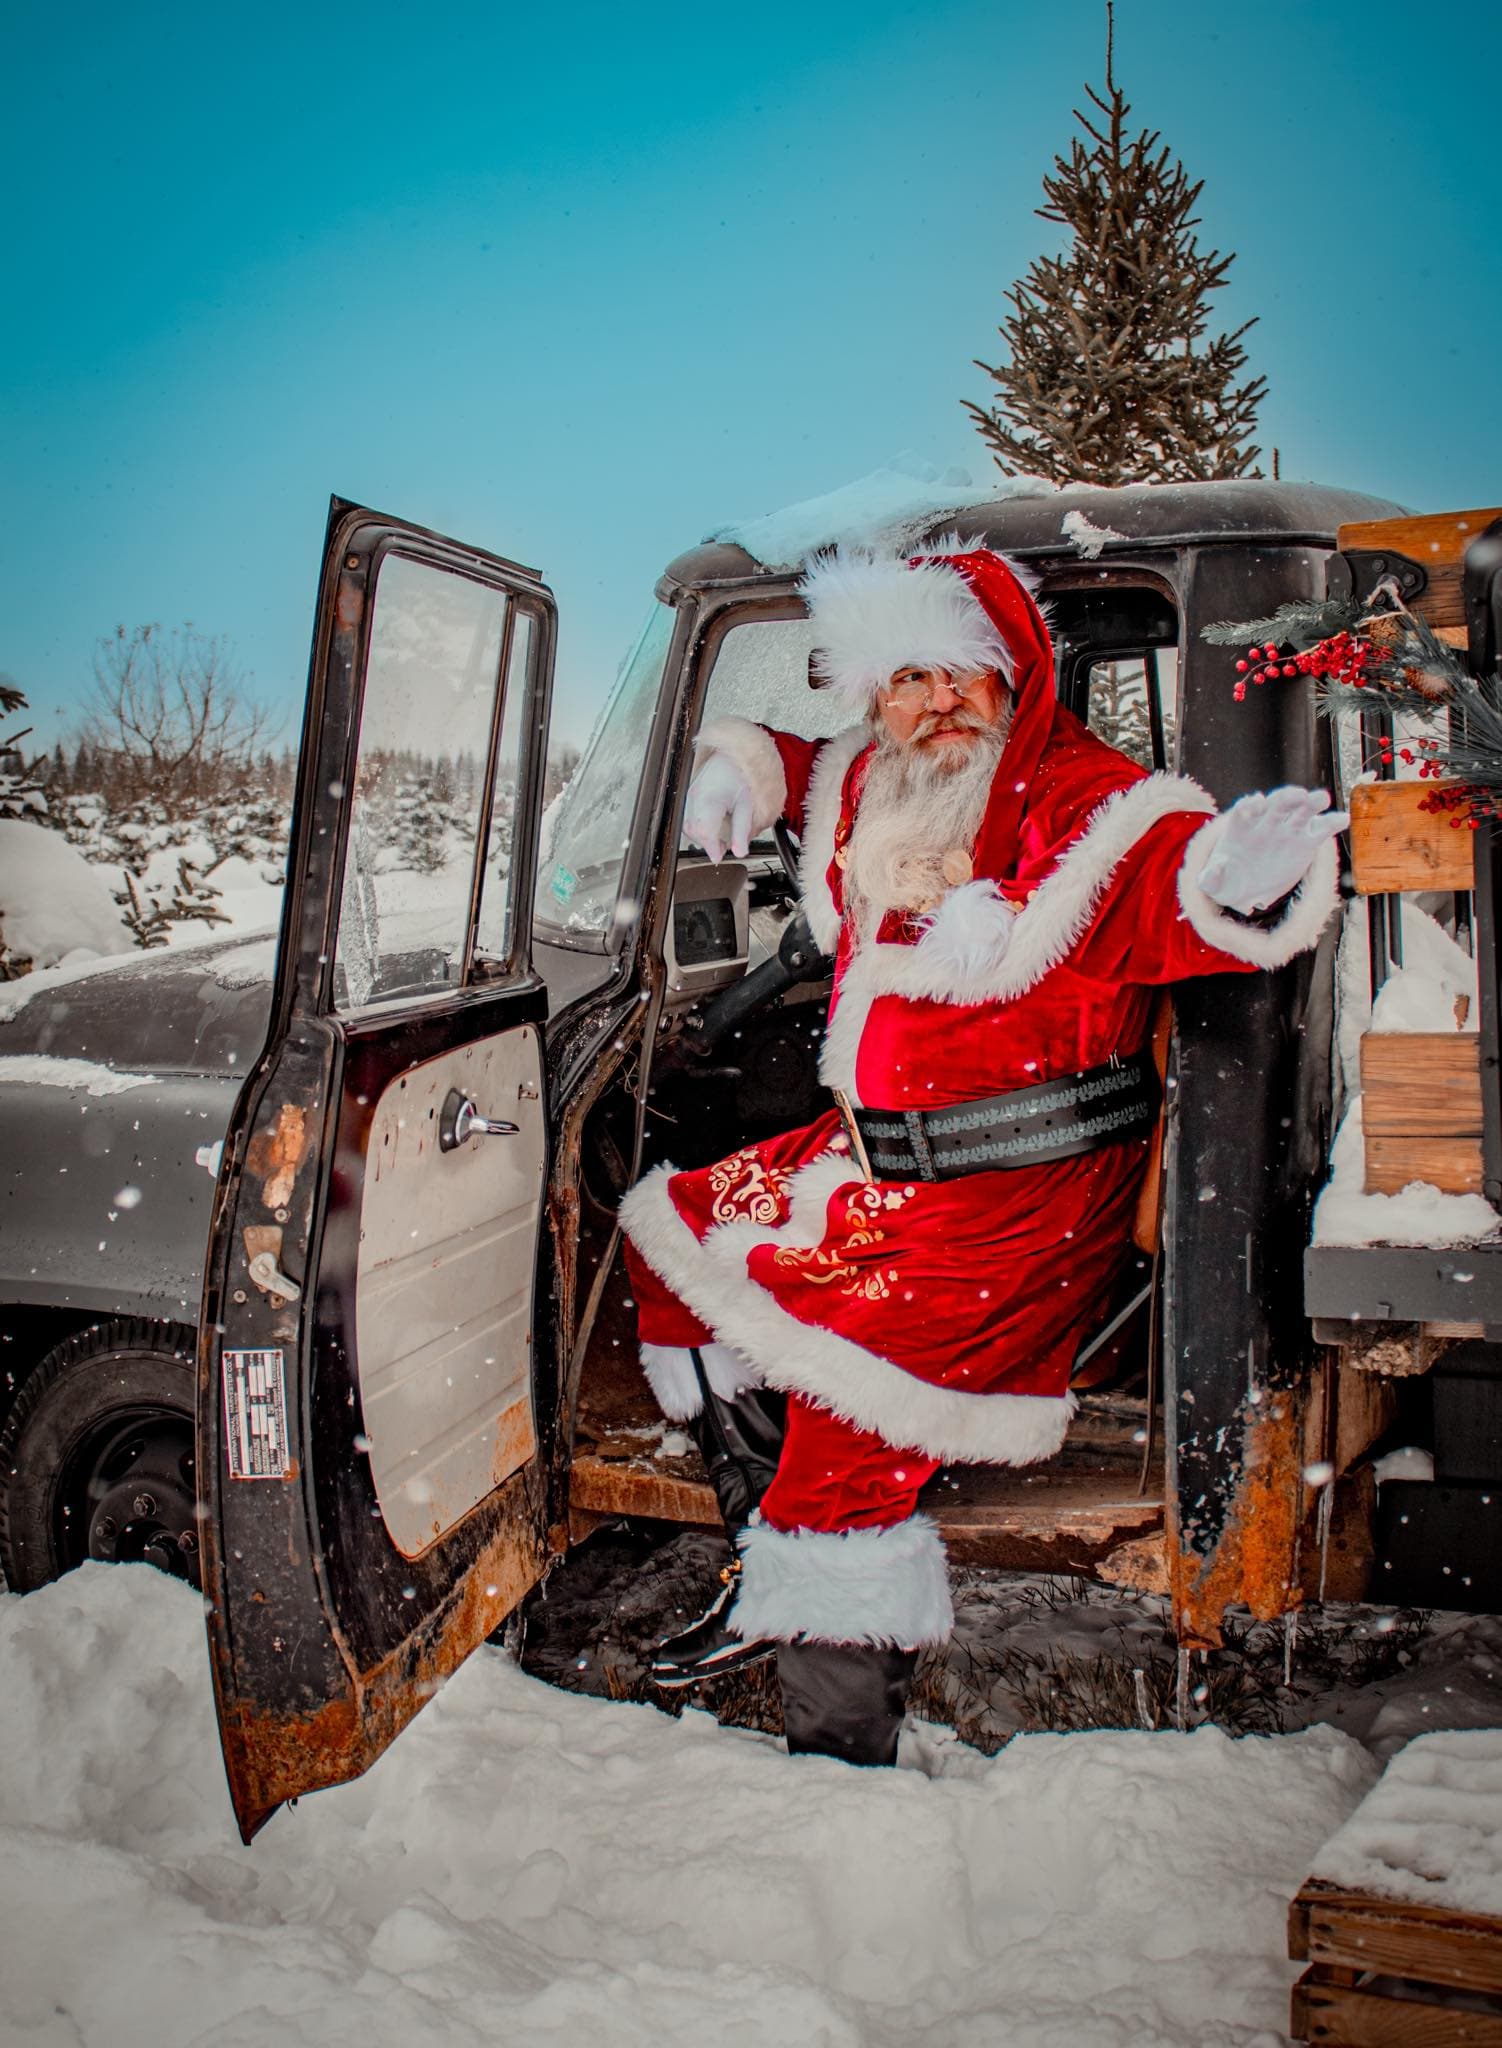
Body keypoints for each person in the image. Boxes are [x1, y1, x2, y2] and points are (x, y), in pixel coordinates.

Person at [619, 539, 1344, 1766]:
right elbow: (810, 764)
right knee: (672, 1226)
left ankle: (834, 1748)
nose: (933, 701)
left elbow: (1165, 887)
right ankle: (762, 1569)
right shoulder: (879, 776)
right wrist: (737, 764)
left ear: (1011, 671)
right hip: (864, 1161)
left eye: (956, 671)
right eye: (902, 678)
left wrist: (1231, 877)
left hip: (1005, 1205)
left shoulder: (1083, 801)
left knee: (842, 1464)